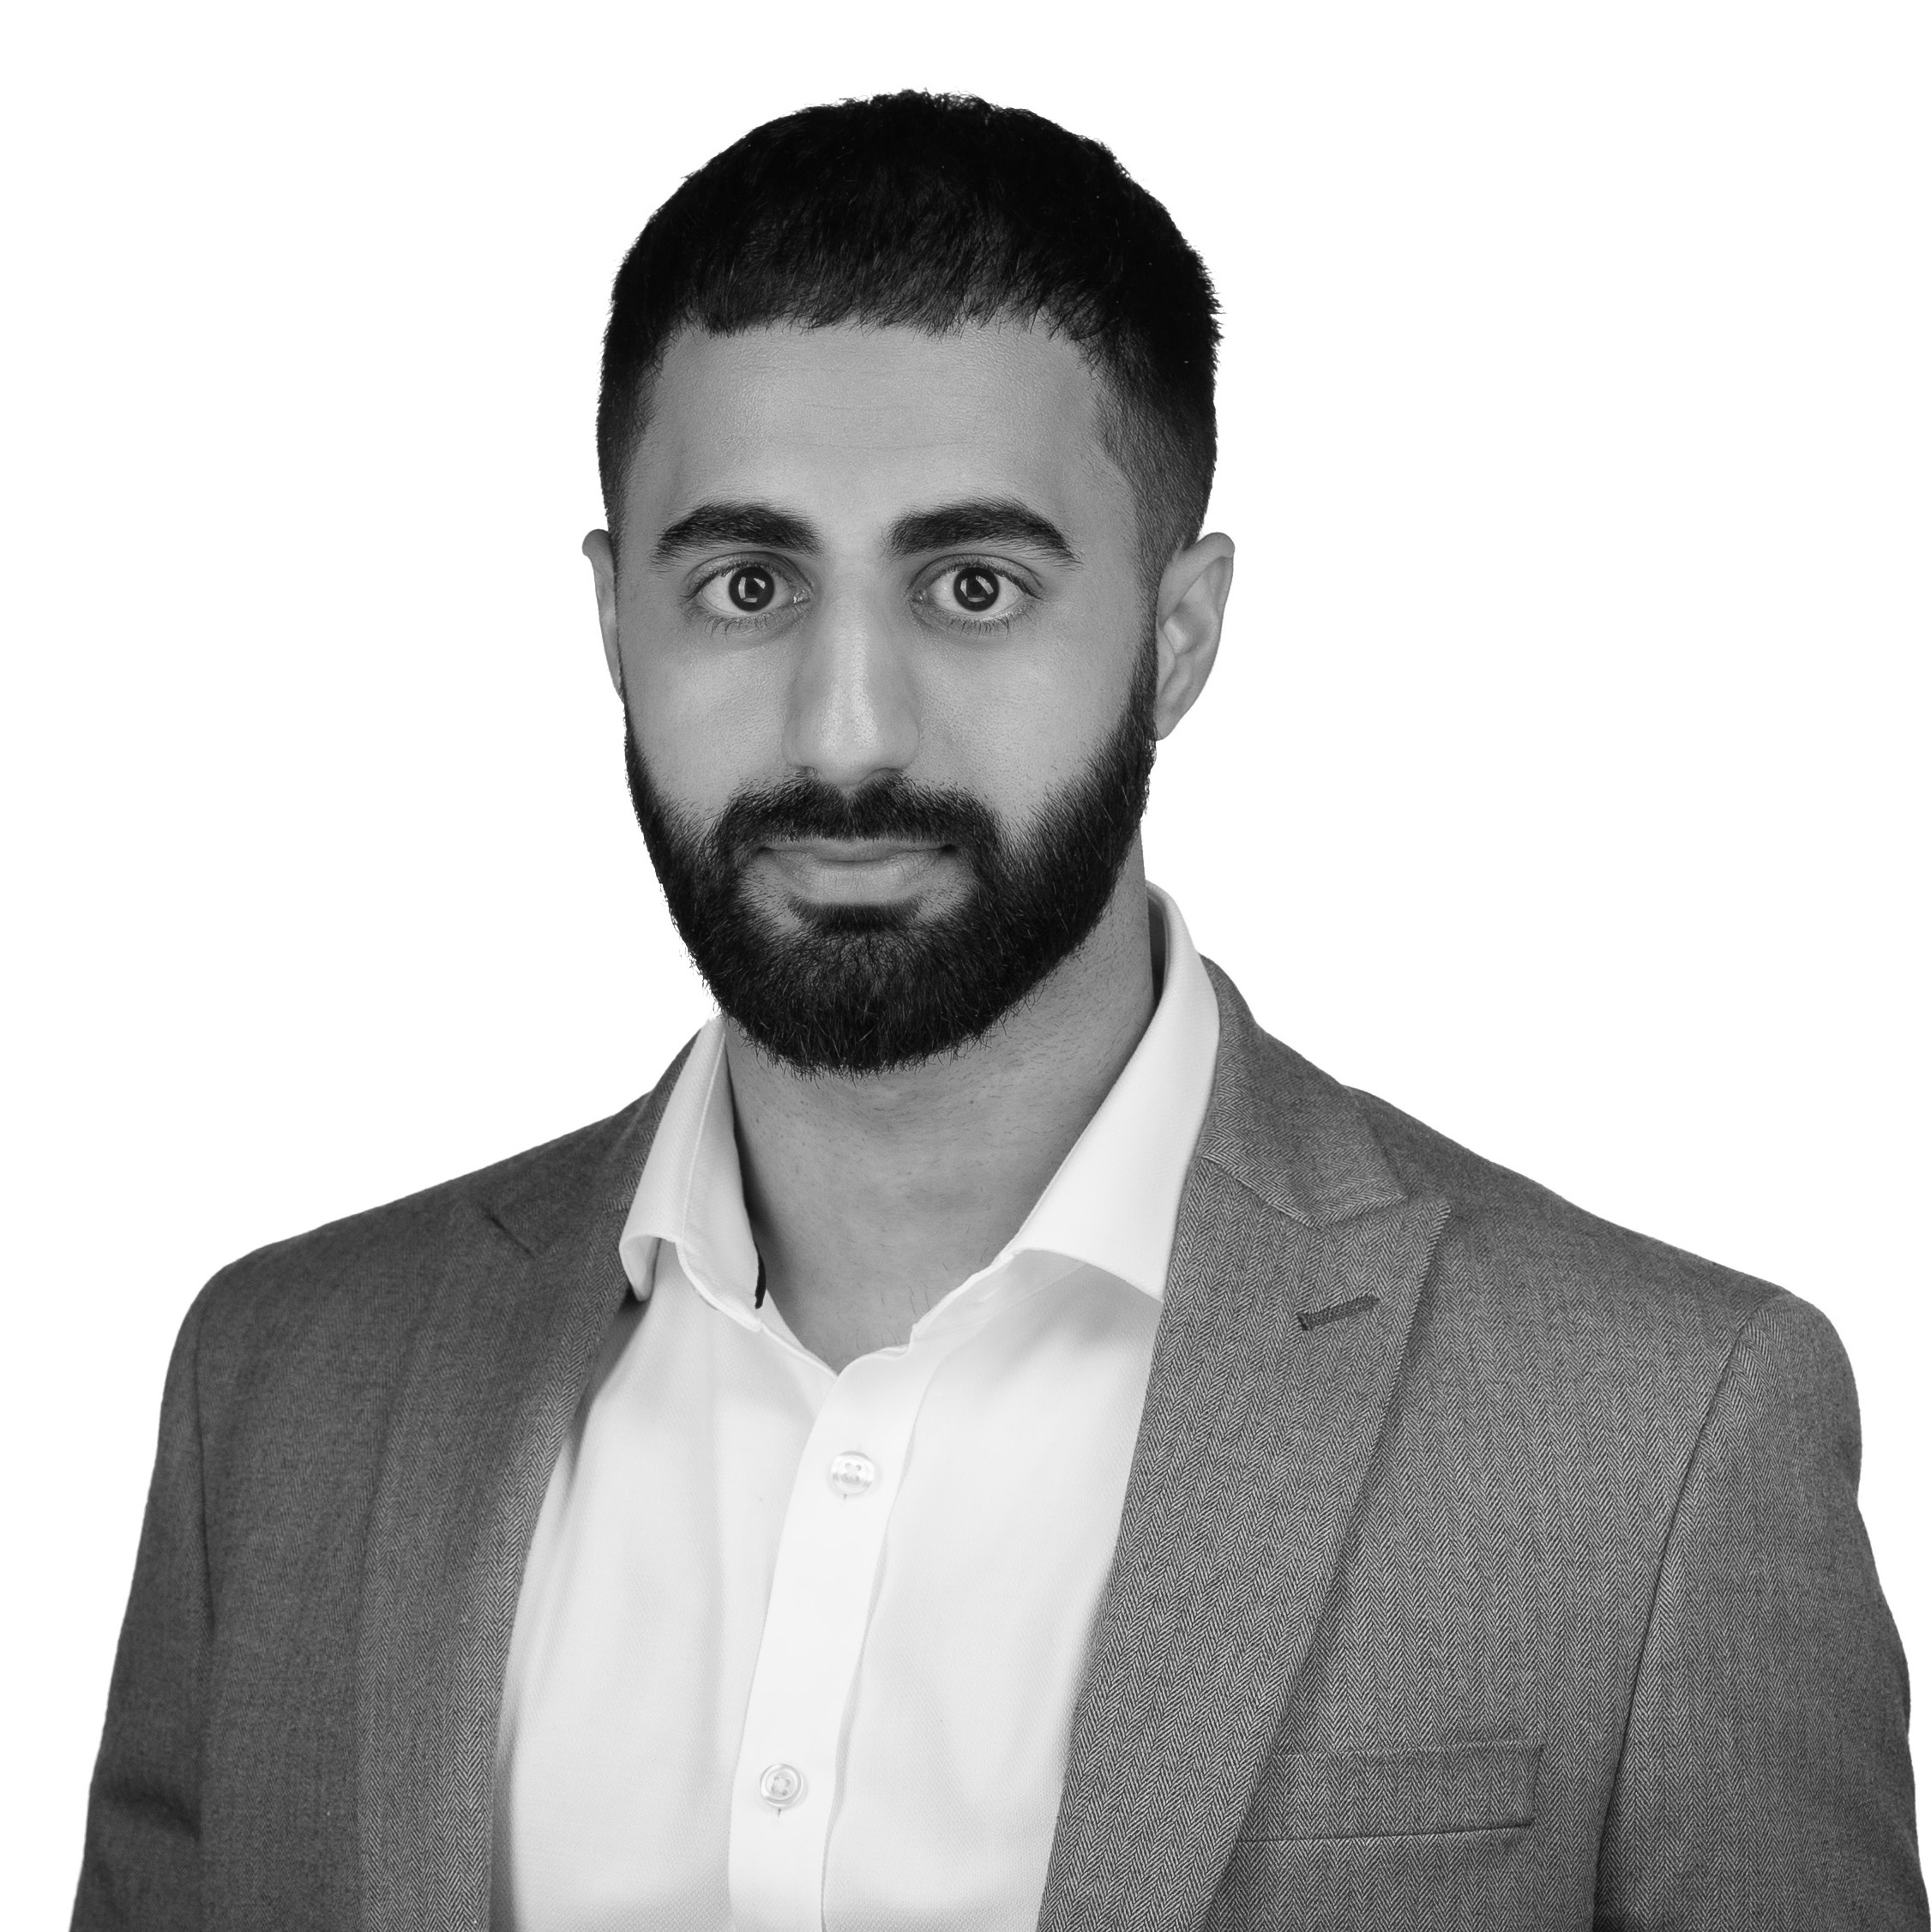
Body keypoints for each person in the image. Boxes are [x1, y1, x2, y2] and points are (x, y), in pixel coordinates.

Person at [73, 90, 1924, 1932]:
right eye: (744, 582)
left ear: (1178, 634)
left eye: (973, 587)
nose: (846, 731)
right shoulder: (282, 1395)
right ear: (612, 620)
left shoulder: (1660, 1432)